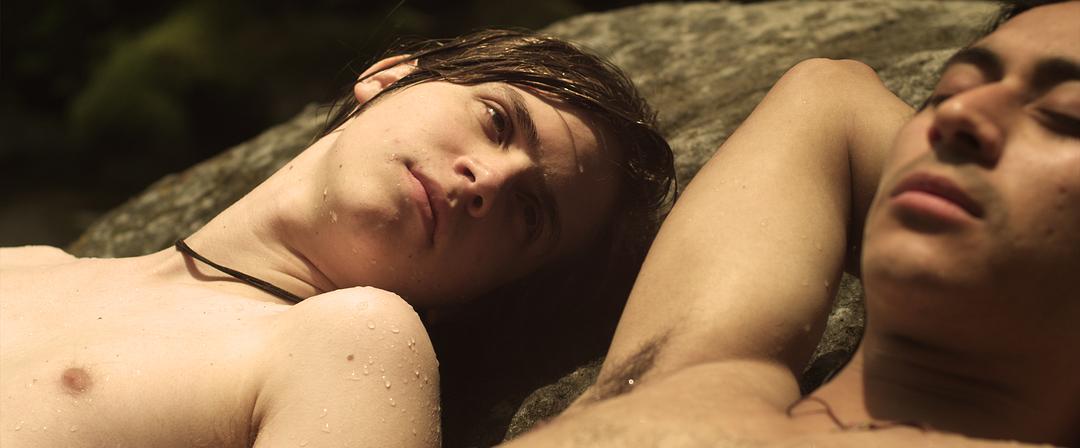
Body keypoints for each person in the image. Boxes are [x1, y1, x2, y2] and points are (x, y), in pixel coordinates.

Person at [0, 29, 675, 447]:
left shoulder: (349, 344)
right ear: (390, 77)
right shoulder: (26, 264)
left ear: (482, 295)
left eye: (528, 216)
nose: (488, 181)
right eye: (497, 121)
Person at [503, 1, 1079, 446]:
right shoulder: (682, 377)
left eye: (1065, 116)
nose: (955, 115)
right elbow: (829, 96)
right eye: (948, 90)